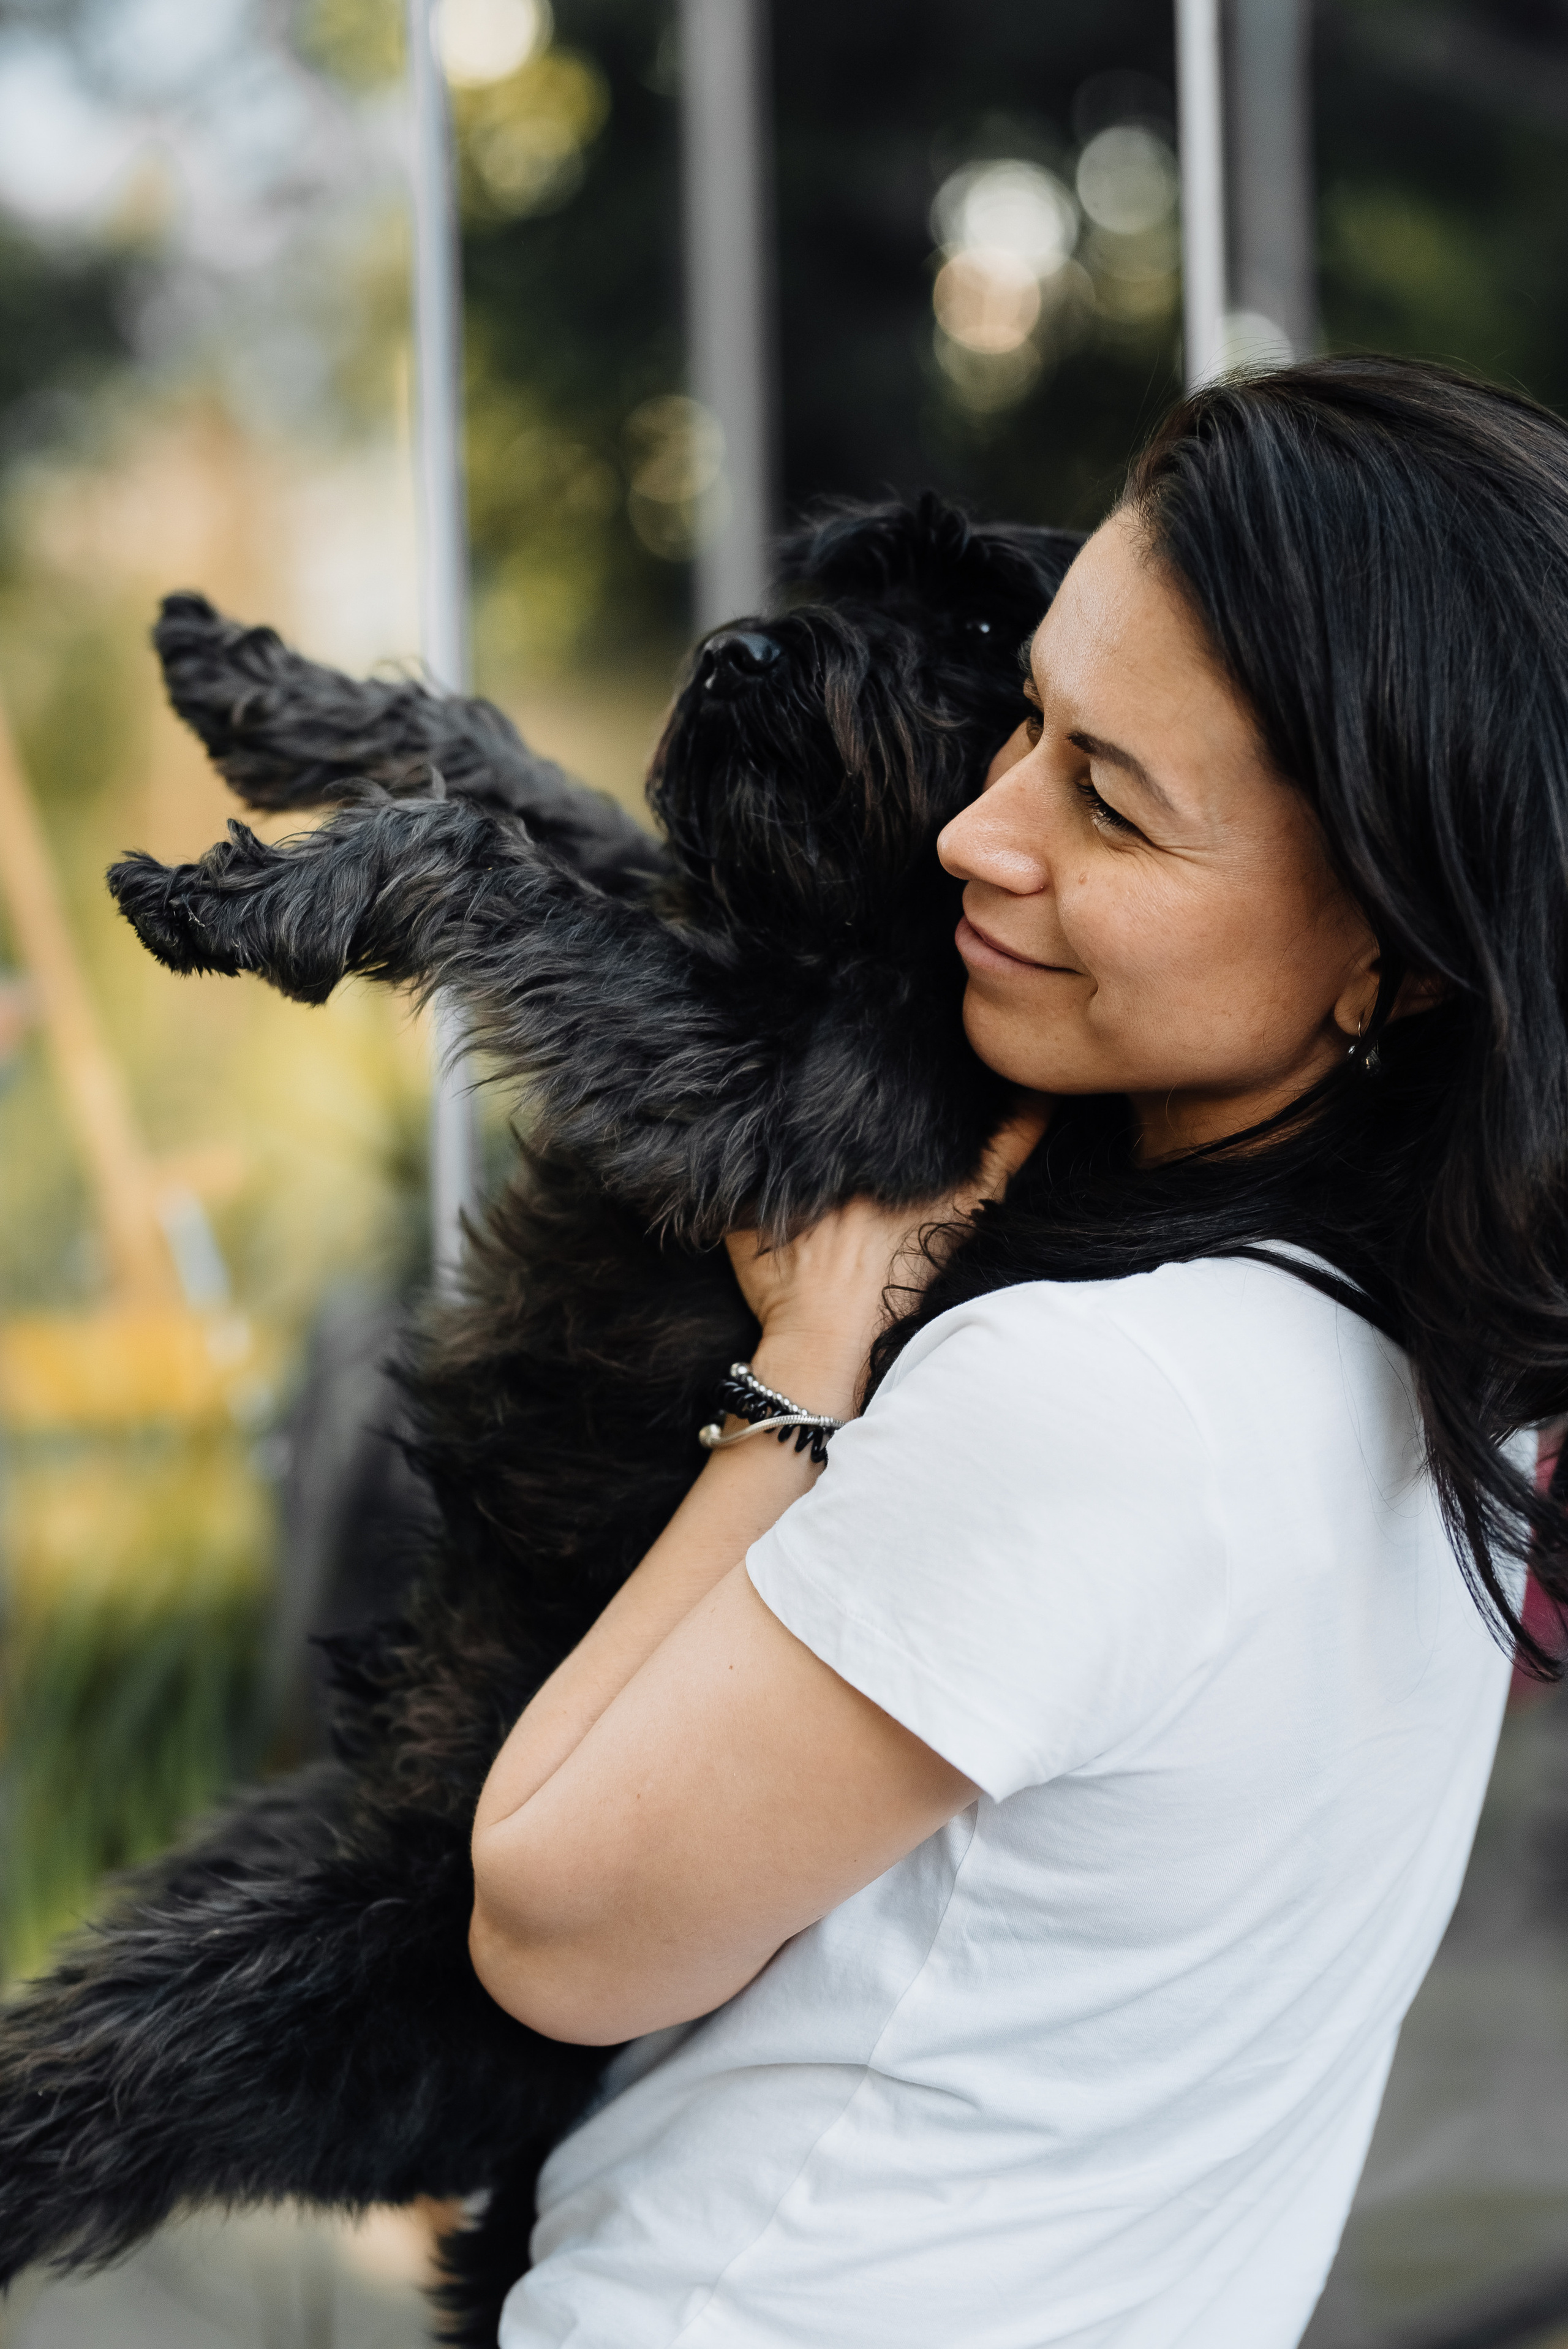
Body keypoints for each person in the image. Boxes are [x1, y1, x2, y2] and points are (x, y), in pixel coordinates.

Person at [467, 357, 1568, 2349]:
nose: (981, 831)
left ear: (1398, 958)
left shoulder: (1107, 1397)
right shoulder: (1441, 1389)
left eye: (1111, 806)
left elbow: (554, 1920)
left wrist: (810, 1359)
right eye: (1034, 720)